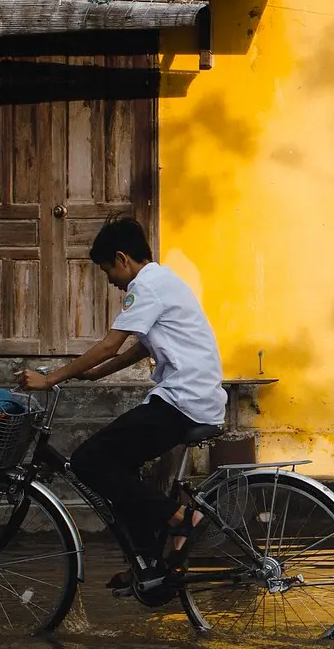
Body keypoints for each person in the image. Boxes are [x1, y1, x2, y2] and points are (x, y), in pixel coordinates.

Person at [18, 217, 227, 598]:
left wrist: (52, 379)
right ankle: (150, 565)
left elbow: (111, 343)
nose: (111, 281)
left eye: (108, 271)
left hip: (183, 400)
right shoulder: (163, 281)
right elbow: (141, 347)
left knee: (88, 461)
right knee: (121, 468)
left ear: (122, 258)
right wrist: (96, 375)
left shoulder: (145, 286)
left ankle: (182, 519)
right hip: (192, 397)